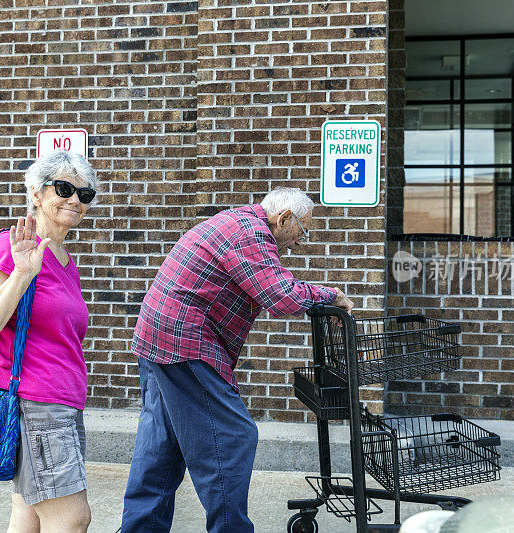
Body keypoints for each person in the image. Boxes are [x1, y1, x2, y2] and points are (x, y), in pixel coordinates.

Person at [120, 187, 355, 532]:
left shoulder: (237, 221)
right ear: (284, 218)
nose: (301, 242)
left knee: (163, 443)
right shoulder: (252, 233)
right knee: (233, 436)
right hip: (185, 341)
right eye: (302, 231)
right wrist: (331, 295)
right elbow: (282, 295)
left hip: (158, 336)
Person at [0, 150, 98, 533]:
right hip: (36, 404)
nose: (75, 199)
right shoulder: (10, 247)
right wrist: (22, 274)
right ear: (36, 194)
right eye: (63, 188)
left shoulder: (64, 258)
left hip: (61, 404)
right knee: (72, 519)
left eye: (84, 194)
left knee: (28, 518)